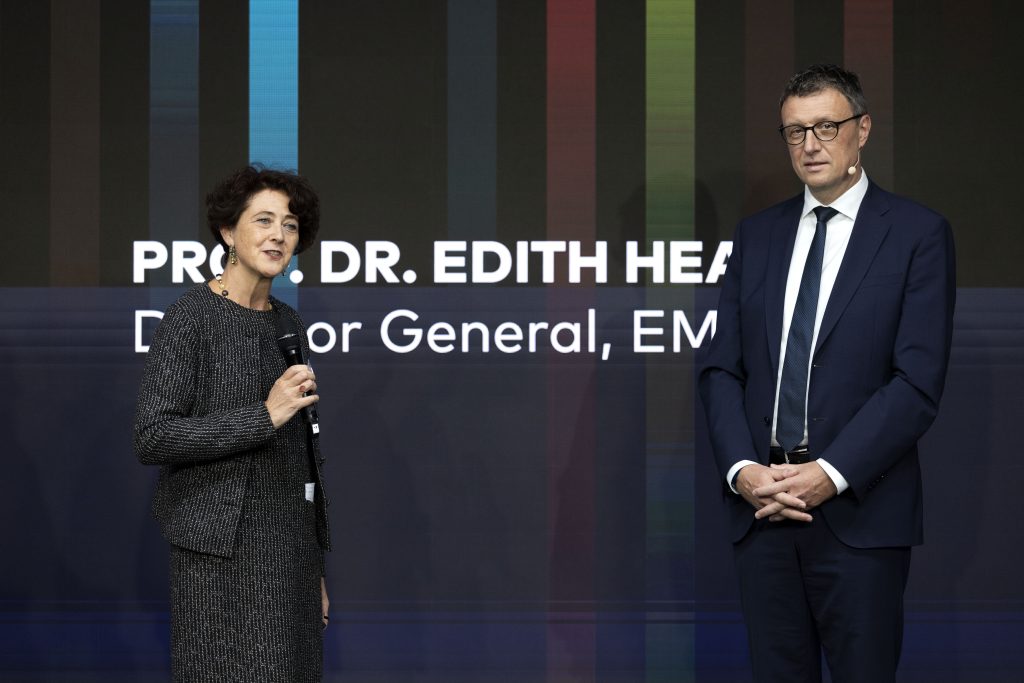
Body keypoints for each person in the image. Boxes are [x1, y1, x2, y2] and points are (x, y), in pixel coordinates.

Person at [698, 64, 955, 682]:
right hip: (763, 515)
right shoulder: (756, 237)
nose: (810, 145)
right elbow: (720, 369)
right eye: (794, 132)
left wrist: (829, 475)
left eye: (826, 127)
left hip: (858, 519)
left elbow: (916, 384)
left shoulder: (918, 235)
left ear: (861, 130)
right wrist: (744, 472)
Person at [135, 165, 331, 682]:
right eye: (263, 220)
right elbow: (153, 434)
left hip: (289, 551)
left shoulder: (288, 321)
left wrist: (315, 566)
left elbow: (302, 455)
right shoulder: (191, 317)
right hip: (221, 552)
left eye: (289, 225)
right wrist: (263, 417)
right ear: (228, 231)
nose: (277, 235)